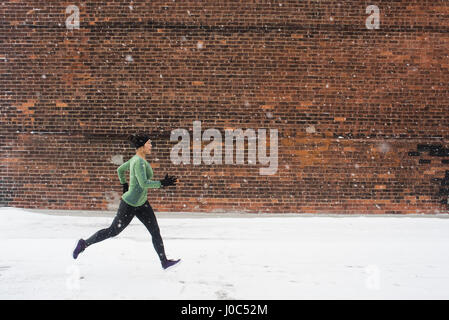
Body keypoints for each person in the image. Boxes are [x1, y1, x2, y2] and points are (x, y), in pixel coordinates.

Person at [72, 133, 180, 270]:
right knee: (112, 231)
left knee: (155, 231)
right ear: (142, 146)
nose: (151, 145)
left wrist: (124, 184)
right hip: (129, 204)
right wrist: (162, 183)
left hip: (142, 203)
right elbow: (143, 183)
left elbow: (120, 170)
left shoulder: (136, 159)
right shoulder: (139, 162)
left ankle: (164, 261)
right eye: (149, 143)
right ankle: (83, 244)